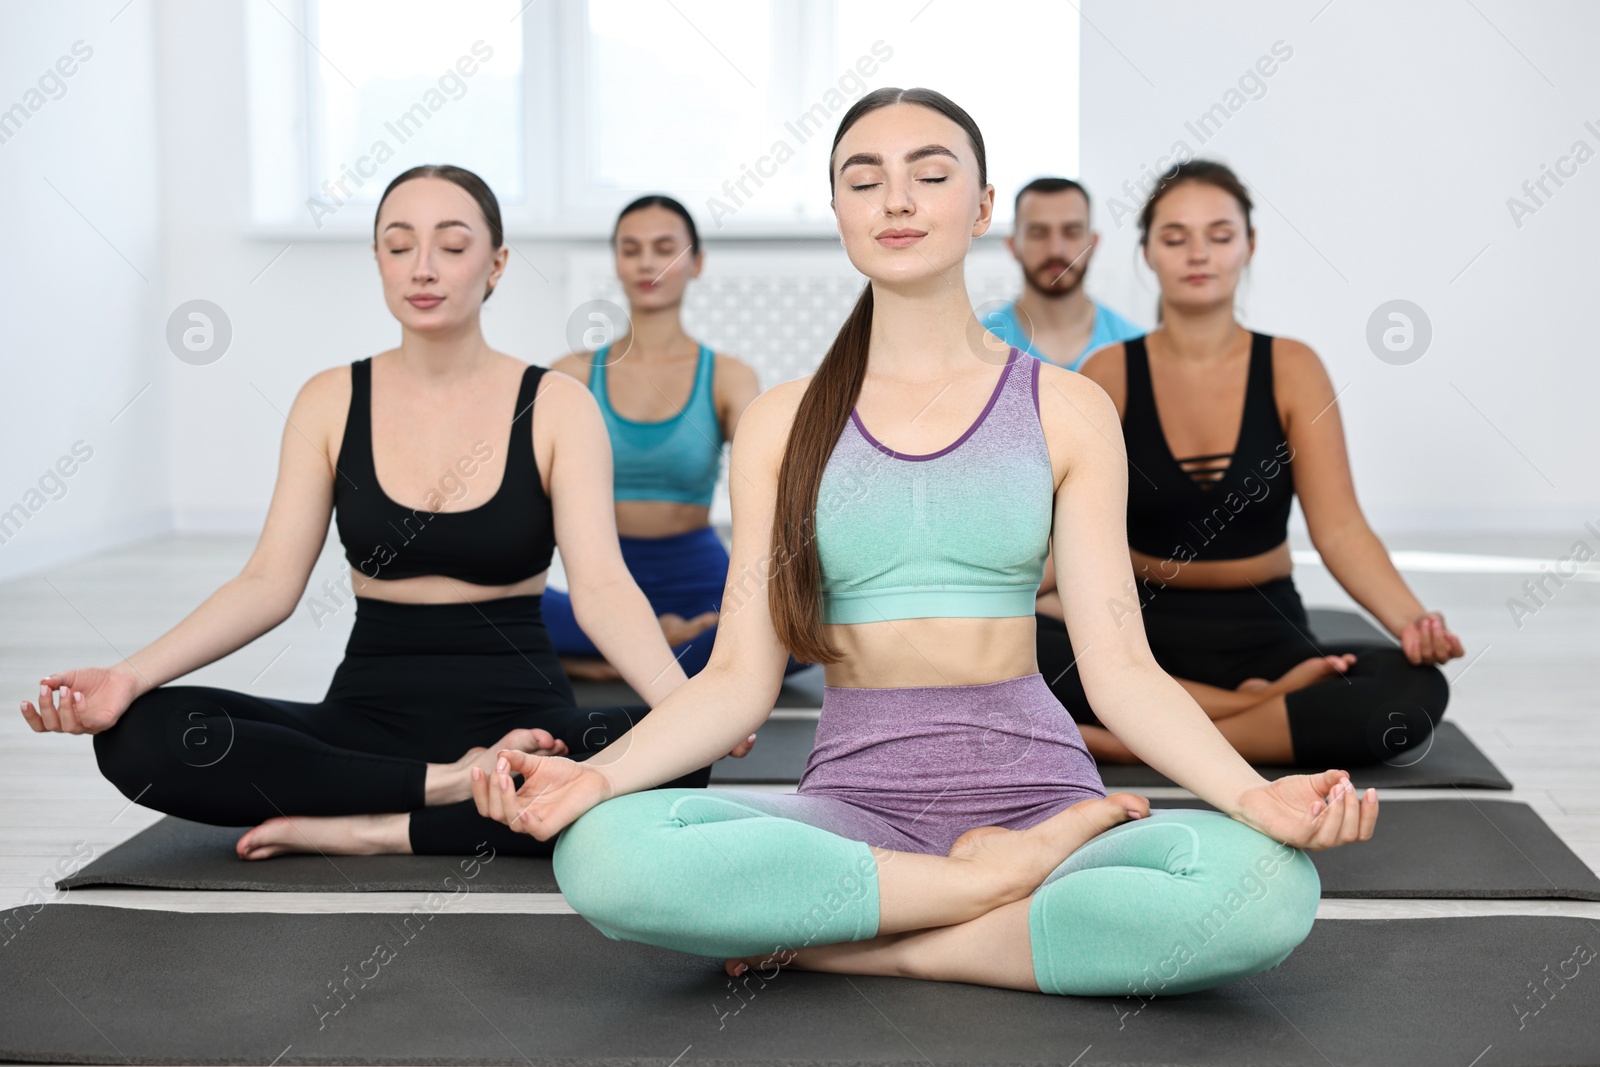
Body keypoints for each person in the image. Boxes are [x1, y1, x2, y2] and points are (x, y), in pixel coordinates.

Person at [469, 89, 1376, 999]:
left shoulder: (1066, 409)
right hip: (849, 812)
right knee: (606, 854)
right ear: (840, 214)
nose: (897, 200)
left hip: (1042, 798)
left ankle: (872, 940)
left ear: (982, 207)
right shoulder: (784, 423)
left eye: (930, 175)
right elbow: (740, 679)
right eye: (865, 181)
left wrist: (1253, 794)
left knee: (1267, 888)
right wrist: (596, 778)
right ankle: (983, 890)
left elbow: (1122, 671)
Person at [20, 164, 751, 860]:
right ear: (379, 260)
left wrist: (685, 712)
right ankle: (448, 789)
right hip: (367, 721)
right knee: (138, 736)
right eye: (400, 245)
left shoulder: (558, 404)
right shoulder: (329, 399)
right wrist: (127, 676)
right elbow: (267, 584)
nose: (423, 266)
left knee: (675, 764)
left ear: (495, 265)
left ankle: (371, 829)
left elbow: (600, 588)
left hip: (528, 726)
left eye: (452, 245)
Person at [1034, 159, 1462, 769]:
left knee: (1413, 693)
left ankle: (1135, 738)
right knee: (1016, 649)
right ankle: (1239, 714)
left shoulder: (1293, 368)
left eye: (1220, 235)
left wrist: (1413, 620)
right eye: (1175, 238)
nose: (1197, 254)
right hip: (1137, 628)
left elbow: (1339, 528)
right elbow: (1066, 536)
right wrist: (982, 608)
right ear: (1148, 254)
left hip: (1264, 631)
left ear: (1249, 247)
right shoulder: (1109, 373)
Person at [545, 196, 807, 681]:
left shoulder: (728, 377)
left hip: (700, 582)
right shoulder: (572, 374)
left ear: (696, 263)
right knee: (492, 606)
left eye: (664, 247)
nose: (647, 262)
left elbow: (773, 489)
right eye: (631, 249)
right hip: (599, 583)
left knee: (796, 621)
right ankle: (664, 656)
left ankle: (618, 660)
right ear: (618, 263)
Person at [982, 177, 1143, 371]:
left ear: (1093, 243)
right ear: (1013, 245)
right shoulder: (978, 345)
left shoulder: (1135, 350)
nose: (1055, 250)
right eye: (1038, 233)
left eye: (1071, 232)